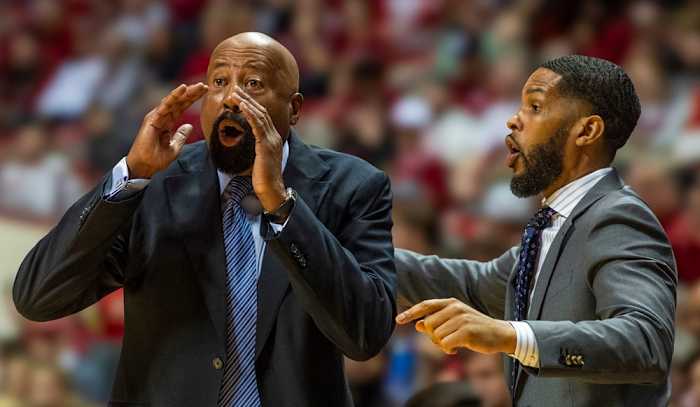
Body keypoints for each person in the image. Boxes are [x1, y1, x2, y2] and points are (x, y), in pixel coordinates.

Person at [13, 32, 396, 406]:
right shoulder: (156, 184)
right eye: (218, 81)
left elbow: (365, 333)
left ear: (294, 109)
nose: (231, 97)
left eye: (253, 83)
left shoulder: (354, 188)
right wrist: (129, 178)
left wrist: (283, 207)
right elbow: (38, 297)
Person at [395, 55, 676, 406]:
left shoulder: (617, 215)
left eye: (535, 106)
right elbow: (465, 283)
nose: (513, 119)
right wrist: (347, 245)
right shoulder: (551, 228)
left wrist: (510, 336)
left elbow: (645, 341)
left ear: (586, 131)